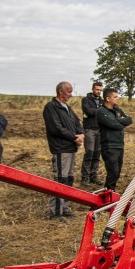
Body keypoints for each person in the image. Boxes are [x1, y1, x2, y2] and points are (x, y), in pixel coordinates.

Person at [42, 81, 84, 219]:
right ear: (61, 92)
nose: (71, 95)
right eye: (69, 91)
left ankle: (65, 207)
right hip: (61, 149)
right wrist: (74, 136)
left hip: (71, 148)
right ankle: (56, 212)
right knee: (60, 178)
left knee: (69, 178)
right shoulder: (51, 107)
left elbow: (77, 123)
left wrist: (81, 134)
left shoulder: (67, 108)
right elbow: (56, 128)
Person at [96, 88, 133, 192]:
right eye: (115, 97)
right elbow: (114, 125)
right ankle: (108, 192)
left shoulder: (117, 110)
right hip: (109, 146)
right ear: (108, 98)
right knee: (113, 171)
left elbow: (129, 119)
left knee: (117, 171)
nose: (118, 98)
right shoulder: (101, 112)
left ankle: (110, 192)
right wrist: (120, 121)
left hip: (119, 145)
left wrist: (118, 120)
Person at [80, 82, 104, 186]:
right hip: (89, 129)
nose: (98, 91)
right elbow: (88, 111)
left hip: (100, 130)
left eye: (100, 90)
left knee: (97, 154)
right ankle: (85, 178)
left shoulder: (102, 101)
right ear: (93, 89)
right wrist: (100, 111)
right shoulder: (86, 100)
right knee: (89, 153)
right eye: (97, 89)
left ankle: (93, 177)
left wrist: (97, 111)